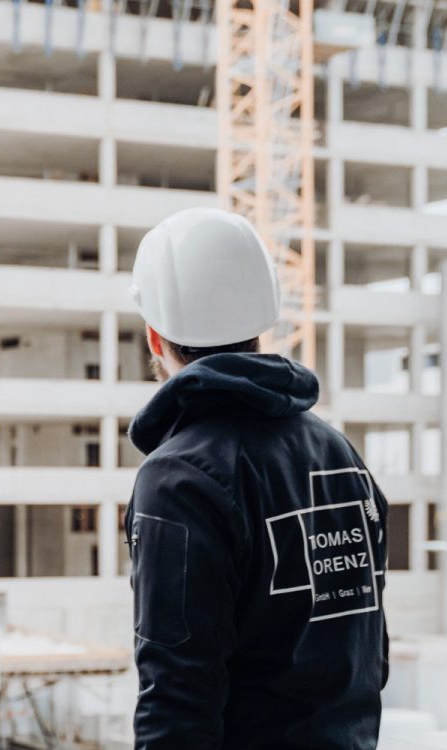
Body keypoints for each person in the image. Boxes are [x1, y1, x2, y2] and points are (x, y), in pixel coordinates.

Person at [124, 208, 389, 748]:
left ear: (156, 338)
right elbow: (369, 654)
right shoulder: (338, 454)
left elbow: (175, 701)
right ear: (260, 325)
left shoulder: (178, 479)